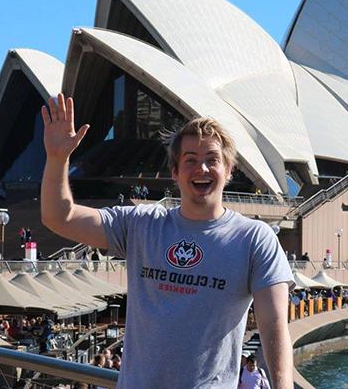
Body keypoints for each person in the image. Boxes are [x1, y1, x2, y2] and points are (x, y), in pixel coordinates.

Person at [39, 94, 293, 389]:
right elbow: (59, 217)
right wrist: (57, 159)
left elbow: (274, 327)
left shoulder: (254, 239)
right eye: (191, 161)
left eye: (213, 160)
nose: (203, 169)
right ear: (174, 171)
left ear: (229, 170)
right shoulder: (142, 224)